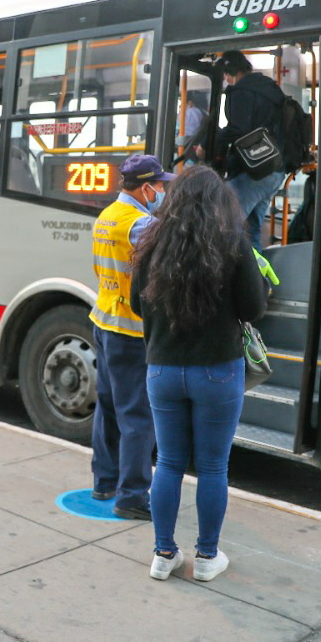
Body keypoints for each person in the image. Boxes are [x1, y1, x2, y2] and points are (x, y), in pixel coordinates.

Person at [130, 165, 268, 583]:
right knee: (212, 467)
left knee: (168, 462)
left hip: (163, 371)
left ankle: (163, 554)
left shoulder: (152, 243)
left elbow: (138, 304)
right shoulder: (234, 244)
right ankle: (207, 557)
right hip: (218, 373)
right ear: (221, 203)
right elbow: (253, 308)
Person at [89, 153, 173, 520]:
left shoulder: (107, 216)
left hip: (104, 321)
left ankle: (104, 480)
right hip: (129, 330)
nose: (164, 192)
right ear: (146, 187)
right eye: (161, 186)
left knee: (107, 407)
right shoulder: (140, 224)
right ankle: (133, 496)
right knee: (138, 415)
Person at [215, 51, 287, 250]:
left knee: (222, 223)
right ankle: (256, 278)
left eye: (225, 76)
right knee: (252, 229)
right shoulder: (270, 89)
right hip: (274, 168)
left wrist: (211, 143)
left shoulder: (240, 91)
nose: (226, 81)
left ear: (230, 72)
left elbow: (238, 128)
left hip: (253, 172)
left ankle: (227, 278)